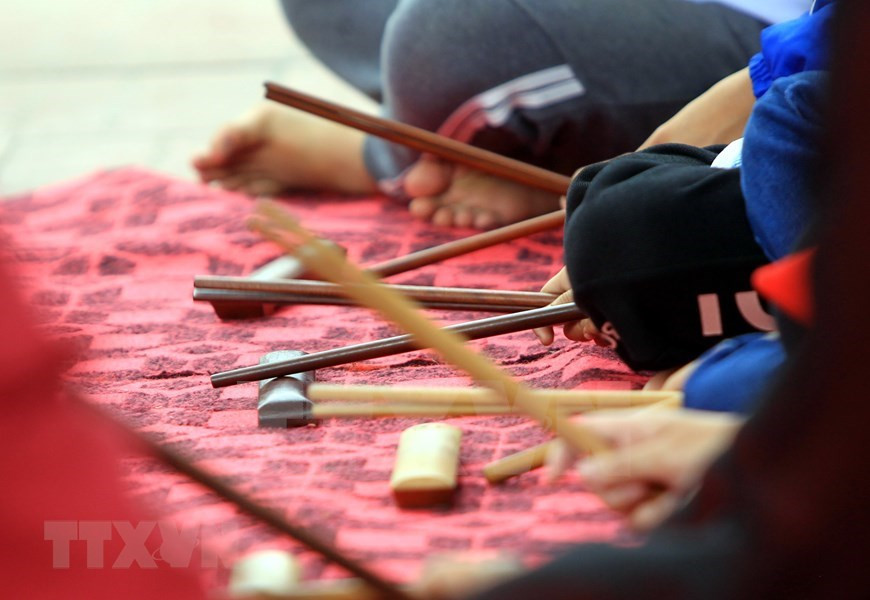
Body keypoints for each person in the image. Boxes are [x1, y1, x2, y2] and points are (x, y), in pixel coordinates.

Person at [193, 0, 809, 229]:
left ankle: (382, 155)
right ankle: (475, 140)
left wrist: (762, 80)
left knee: (448, 35)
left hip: (779, 32)